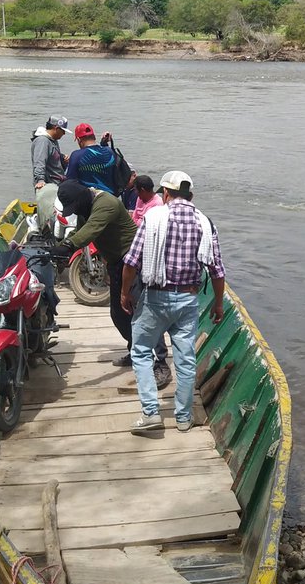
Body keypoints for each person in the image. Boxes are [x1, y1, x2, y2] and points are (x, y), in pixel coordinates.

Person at [121, 170, 225, 434]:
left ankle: (150, 413)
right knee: (186, 360)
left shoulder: (153, 217)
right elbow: (217, 271)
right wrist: (218, 304)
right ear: (191, 196)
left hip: (156, 297)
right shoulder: (205, 222)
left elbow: (131, 262)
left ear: (165, 193)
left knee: (141, 352)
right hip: (188, 299)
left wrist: (124, 292)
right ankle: (183, 417)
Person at [52, 180, 171, 388]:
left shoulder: (106, 203)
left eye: (75, 207)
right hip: (116, 263)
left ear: (82, 198)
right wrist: (60, 248)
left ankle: (161, 363)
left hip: (134, 261)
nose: (75, 211)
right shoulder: (85, 208)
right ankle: (136, 351)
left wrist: (68, 246)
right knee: (118, 314)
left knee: (145, 313)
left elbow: (91, 230)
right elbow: (81, 232)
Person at [65, 123, 129, 195]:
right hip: (110, 197)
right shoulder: (110, 151)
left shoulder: (76, 155)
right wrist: (104, 143)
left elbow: (70, 182)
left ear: (79, 139)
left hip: (89, 198)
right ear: (94, 137)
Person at [31, 115, 69, 231]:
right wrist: (40, 180)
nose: (64, 134)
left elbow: (52, 156)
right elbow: (39, 161)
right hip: (49, 187)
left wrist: (62, 158)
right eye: (63, 131)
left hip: (58, 185)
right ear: (56, 128)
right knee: (50, 218)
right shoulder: (42, 141)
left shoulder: (52, 141)